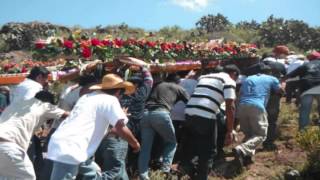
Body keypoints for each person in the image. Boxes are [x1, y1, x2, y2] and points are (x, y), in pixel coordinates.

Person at [47, 74, 140, 180]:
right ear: (118, 92)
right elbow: (120, 127)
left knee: (94, 173)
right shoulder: (110, 100)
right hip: (72, 147)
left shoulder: (87, 97)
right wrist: (135, 144)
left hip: (70, 144)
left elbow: (108, 128)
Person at [95, 57, 153, 179]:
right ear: (137, 85)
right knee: (115, 169)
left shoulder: (115, 98)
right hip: (122, 135)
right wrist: (144, 68)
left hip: (105, 135)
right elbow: (149, 80)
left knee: (114, 167)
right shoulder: (139, 95)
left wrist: (119, 67)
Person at [179, 65, 240, 180]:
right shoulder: (229, 81)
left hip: (189, 112)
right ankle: (201, 177)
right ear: (233, 74)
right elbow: (230, 106)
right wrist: (230, 130)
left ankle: (187, 171)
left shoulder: (205, 77)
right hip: (205, 115)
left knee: (193, 145)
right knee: (209, 150)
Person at [0, 91, 68, 180]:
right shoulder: (45, 106)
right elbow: (68, 115)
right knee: (28, 177)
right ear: (48, 101)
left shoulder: (18, 103)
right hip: (7, 146)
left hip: (5, 144)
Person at [138, 73, 189, 180]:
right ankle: (164, 171)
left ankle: (143, 175)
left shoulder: (158, 85)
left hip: (145, 114)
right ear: (178, 82)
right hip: (161, 114)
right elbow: (189, 102)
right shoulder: (179, 88)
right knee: (172, 142)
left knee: (145, 147)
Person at [233, 66, 283, 171]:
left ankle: (247, 158)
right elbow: (280, 91)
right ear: (269, 71)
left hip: (242, 105)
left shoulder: (248, 78)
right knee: (261, 134)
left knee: (250, 135)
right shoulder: (272, 78)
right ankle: (242, 149)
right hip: (257, 106)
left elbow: (240, 93)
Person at [284, 51, 320, 130]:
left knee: (305, 109)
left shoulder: (305, 65)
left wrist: (281, 80)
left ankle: (303, 131)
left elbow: (290, 75)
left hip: (306, 86)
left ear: (309, 58)